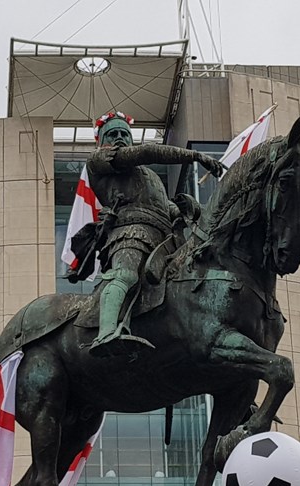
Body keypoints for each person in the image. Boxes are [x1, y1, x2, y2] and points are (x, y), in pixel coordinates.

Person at [84, 111, 223, 356]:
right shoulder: (99, 161)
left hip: (165, 240)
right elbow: (148, 152)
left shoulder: (149, 175)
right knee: (125, 275)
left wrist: (189, 209)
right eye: (112, 134)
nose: (119, 138)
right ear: (101, 140)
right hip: (129, 234)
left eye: (124, 134)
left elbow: (164, 206)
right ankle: (105, 334)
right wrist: (195, 156)